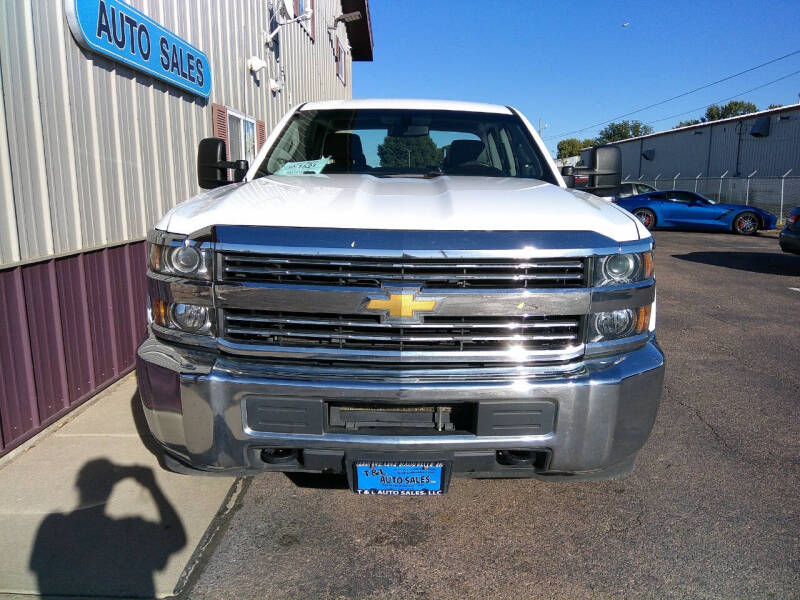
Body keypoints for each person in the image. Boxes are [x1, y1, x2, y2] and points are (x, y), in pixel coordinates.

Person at [30, 459, 186, 597]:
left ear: (78, 485)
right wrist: (153, 487)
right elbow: (177, 540)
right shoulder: (128, 530)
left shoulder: (52, 525)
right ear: (112, 488)